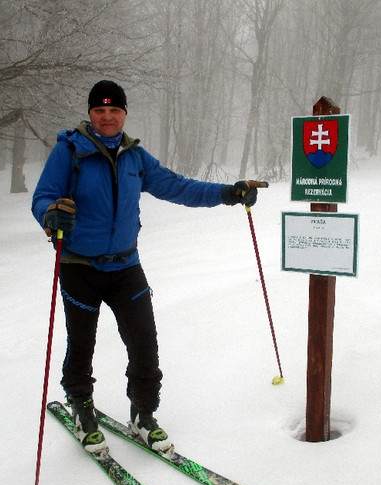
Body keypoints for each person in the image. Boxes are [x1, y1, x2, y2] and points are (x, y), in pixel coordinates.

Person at [32, 80, 259, 455]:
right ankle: (81, 408)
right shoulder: (69, 150)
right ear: (90, 115)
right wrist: (50, 213)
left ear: (124, 114)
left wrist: (225, 194)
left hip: (125, 267)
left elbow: (176, 186)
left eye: (115, 111)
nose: (107, 117)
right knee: (81, 344)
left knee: (144, 343)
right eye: (100, 111)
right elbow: (42, 197)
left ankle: (143, 414)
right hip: (79, 267)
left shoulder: (134, 156)